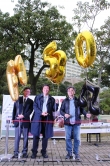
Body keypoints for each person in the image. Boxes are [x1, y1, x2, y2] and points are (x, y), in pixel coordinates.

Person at [60, 86, 91, 160]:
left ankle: (76, 153)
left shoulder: (78, 100)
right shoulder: (65, 101)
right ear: (67, 92)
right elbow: (61, 110)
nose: (71, 92)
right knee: (68, 138)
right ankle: (69, 153)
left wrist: (86, 114)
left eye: (72, 90)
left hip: (76, 122)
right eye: (69, 91)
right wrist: (65, 114)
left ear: (74, 92)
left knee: (77, 139)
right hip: (67, 123)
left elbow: (82, 110)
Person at [30, 85, 59, 159]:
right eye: (44, 88)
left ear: (49, 90)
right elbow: (35, 107)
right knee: (36, 136)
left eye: (47, 88)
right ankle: (34, 152)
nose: (46, 89)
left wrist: (57, 104)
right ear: (42, 89)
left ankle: (44, 152)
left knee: (45, 137)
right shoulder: (37, 97)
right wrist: (41, 113)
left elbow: (54, 109)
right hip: (38, 118)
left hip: (47, 119)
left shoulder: (52, 99)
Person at [12, 87, 33, 158]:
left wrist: (23, 116)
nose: (27, 93)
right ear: (23, 91)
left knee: (25, 138)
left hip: (25, 121)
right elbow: (14, 109)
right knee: (17, 138)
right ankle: (16, 152)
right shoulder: (18, 99)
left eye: (29, 92)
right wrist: (13, 119)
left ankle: (24, 152)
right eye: (26, 91)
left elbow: (30, 111)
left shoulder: (30, 101)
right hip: (17, 121)